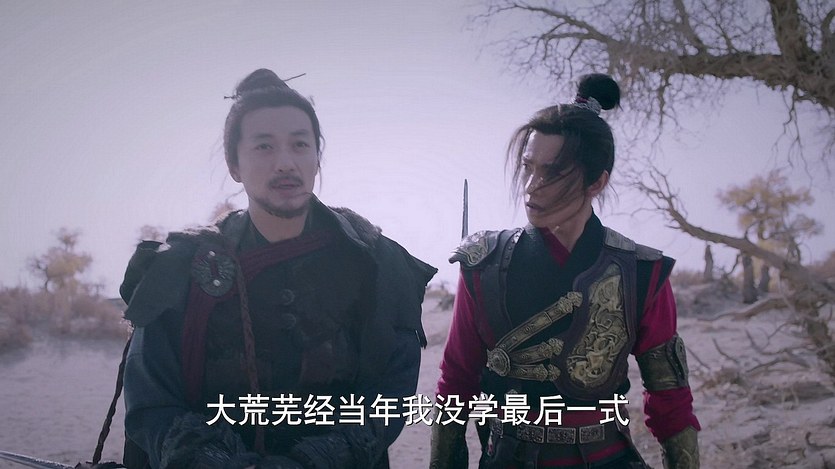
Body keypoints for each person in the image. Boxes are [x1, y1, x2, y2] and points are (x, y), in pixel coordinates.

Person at [119, 68, 437, 469]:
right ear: (235, 165)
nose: (285, 163)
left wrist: (313, 462)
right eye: (264, 147)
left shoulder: (376, 262)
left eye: (300, 144)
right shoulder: (182, 267)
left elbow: (390, 396)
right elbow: (151, 402)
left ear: (316, 158)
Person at [430, 74, 700, 468]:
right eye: (528, 167)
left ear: (597, 182)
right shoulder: (484, 263)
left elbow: (670, 401)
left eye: (553, 173)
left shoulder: (640, 273)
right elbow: (455, 383)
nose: (531, 186)